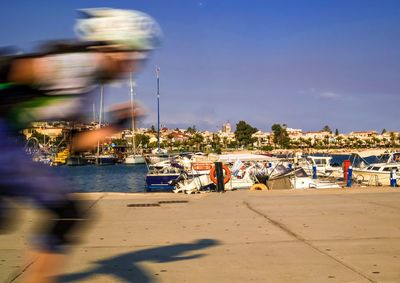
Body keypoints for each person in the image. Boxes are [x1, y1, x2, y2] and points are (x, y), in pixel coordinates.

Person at [0, 8, 161, 283]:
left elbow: (76, 143)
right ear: (111, 47)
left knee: (45, 215)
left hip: (10, 139)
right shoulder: (76, 64)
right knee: (66, 211)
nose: (134, 63)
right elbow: (11, 67)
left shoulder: (88, 82)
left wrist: (117, 125)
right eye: (131, 53)